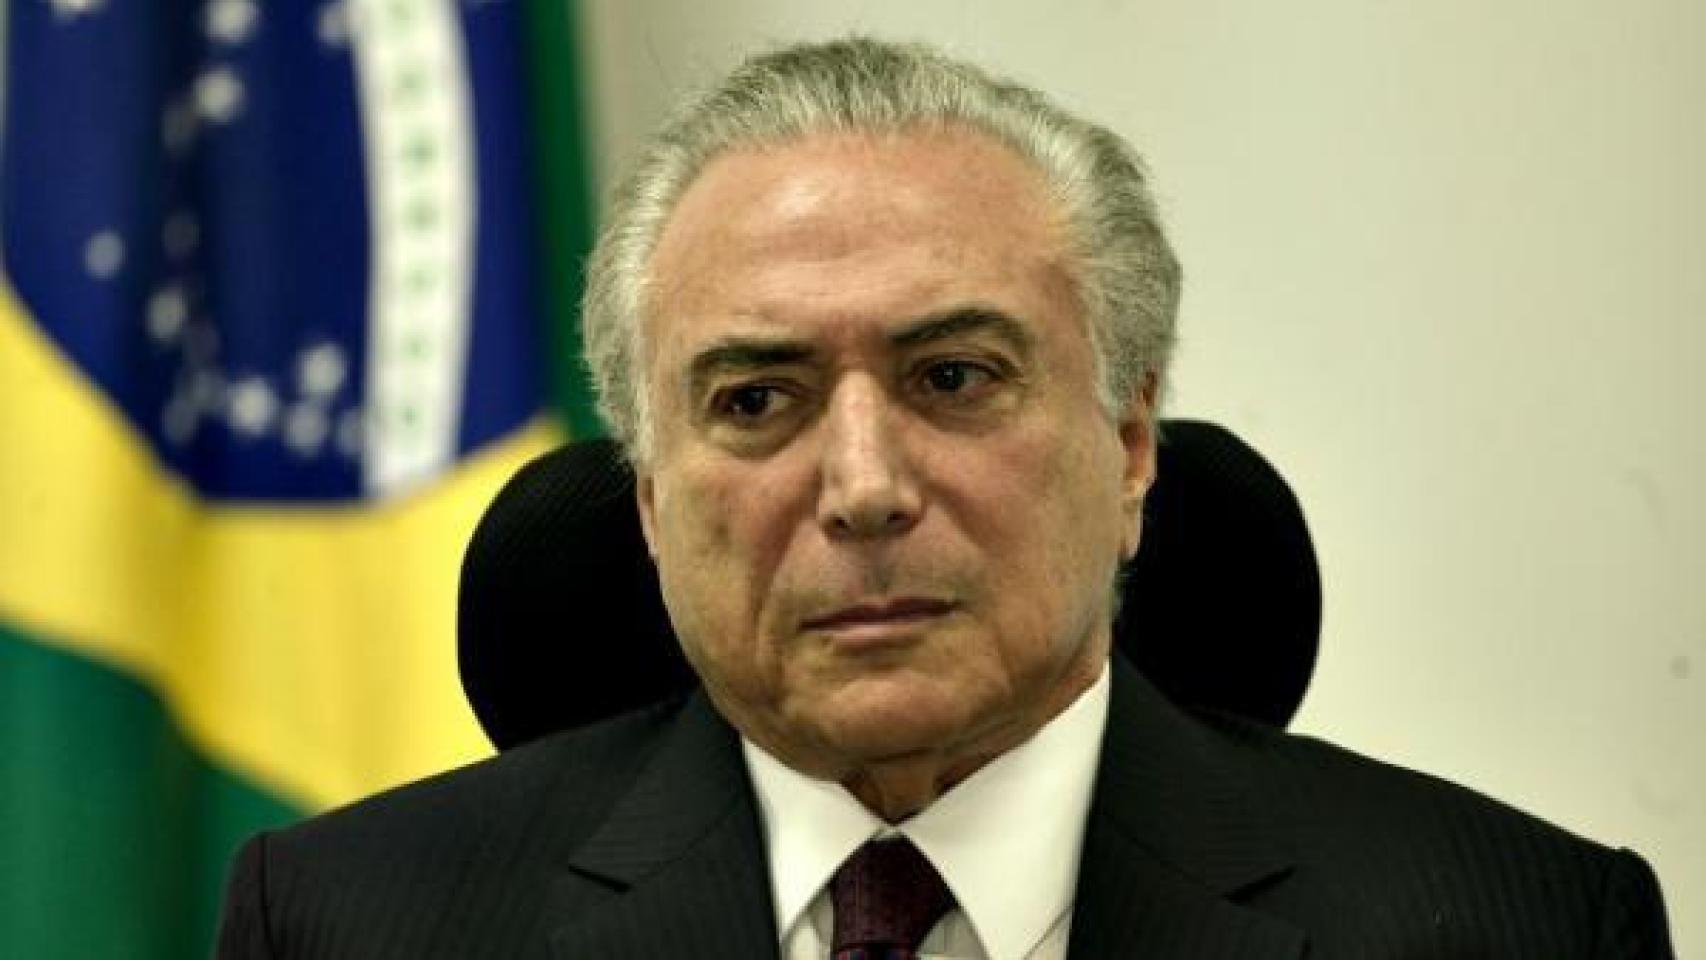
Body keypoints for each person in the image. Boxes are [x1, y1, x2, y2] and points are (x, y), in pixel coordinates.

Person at [216, 37, 1674, 959]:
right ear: (650, 499)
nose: (863, 488)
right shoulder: (349, 926)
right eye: (756, 401)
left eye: (955, 378)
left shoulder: (1522, 926)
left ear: (1131, 445)